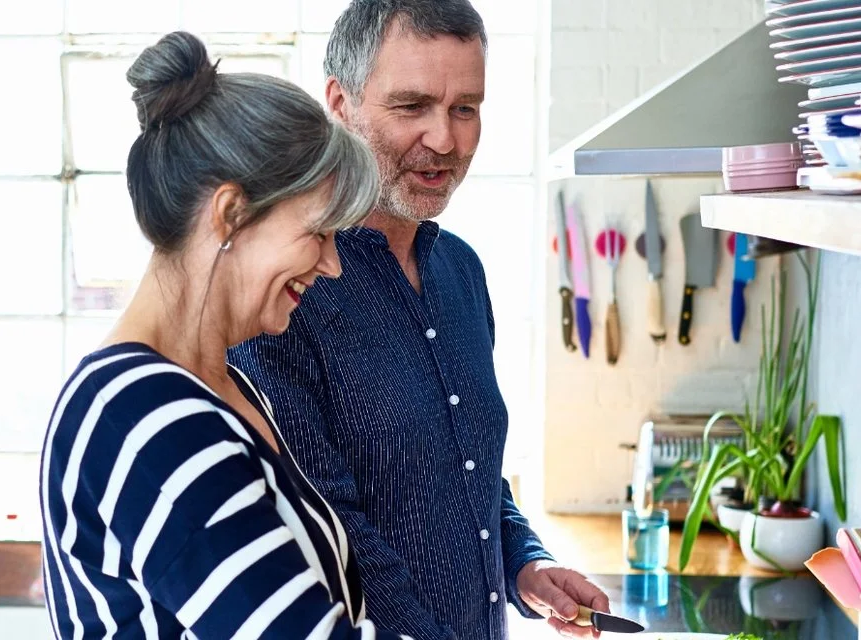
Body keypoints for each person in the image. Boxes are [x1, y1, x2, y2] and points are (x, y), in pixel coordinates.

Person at [228, 2, 611, 638]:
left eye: (466, 108)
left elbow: (471, 470)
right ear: (340, 102)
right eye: (412, 107)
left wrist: (525, 564)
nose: (446, 140)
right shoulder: (286, 293)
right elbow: (328, 528)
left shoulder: (461, 271)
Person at [39, 31, 415, 640]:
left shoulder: (218, 385)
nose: (332, 264)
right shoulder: (139, 416)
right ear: (230, 215)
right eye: (317, 233)